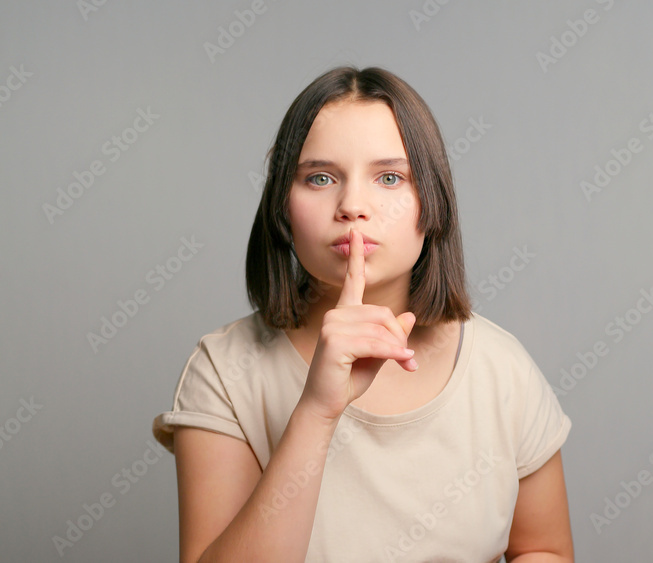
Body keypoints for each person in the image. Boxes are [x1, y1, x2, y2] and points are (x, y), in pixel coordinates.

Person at [152, 65, 573, 563]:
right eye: (320, 178)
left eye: (390, 177)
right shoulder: (225, 371)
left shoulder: (502, 369)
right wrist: (316, 410)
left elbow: (543, 549)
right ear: (282, 207)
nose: (352, 205)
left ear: (433, 202)